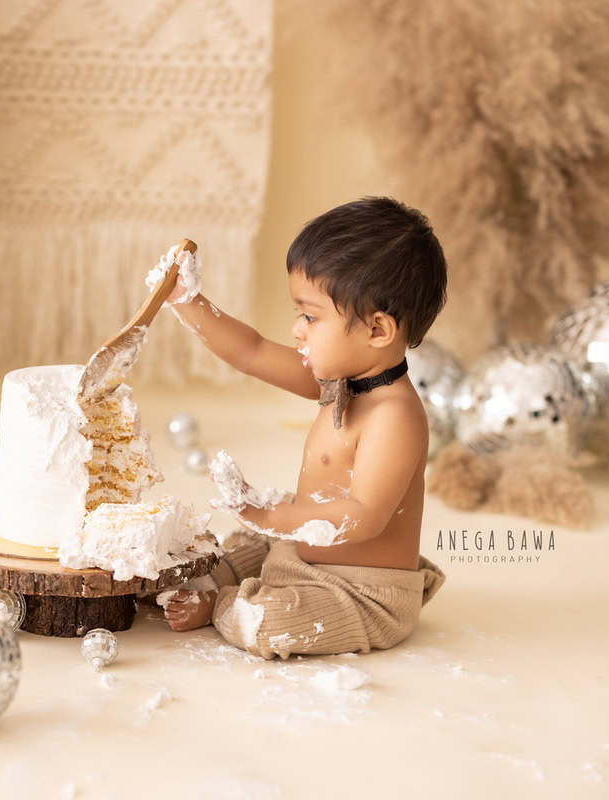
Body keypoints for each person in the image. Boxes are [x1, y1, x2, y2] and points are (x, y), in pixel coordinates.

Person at [154, 196, 449, 659]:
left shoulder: (395, 416)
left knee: (268, 622)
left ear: (377, 330)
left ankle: (225, 603)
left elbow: (364, 517)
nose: (297, 330)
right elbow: (250, 351)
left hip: (359, 592)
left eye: (311, 317)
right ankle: (230, 570)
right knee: (251, 541)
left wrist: (274, 518)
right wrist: (188, 302)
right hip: (301, 553)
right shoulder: (339, 381)